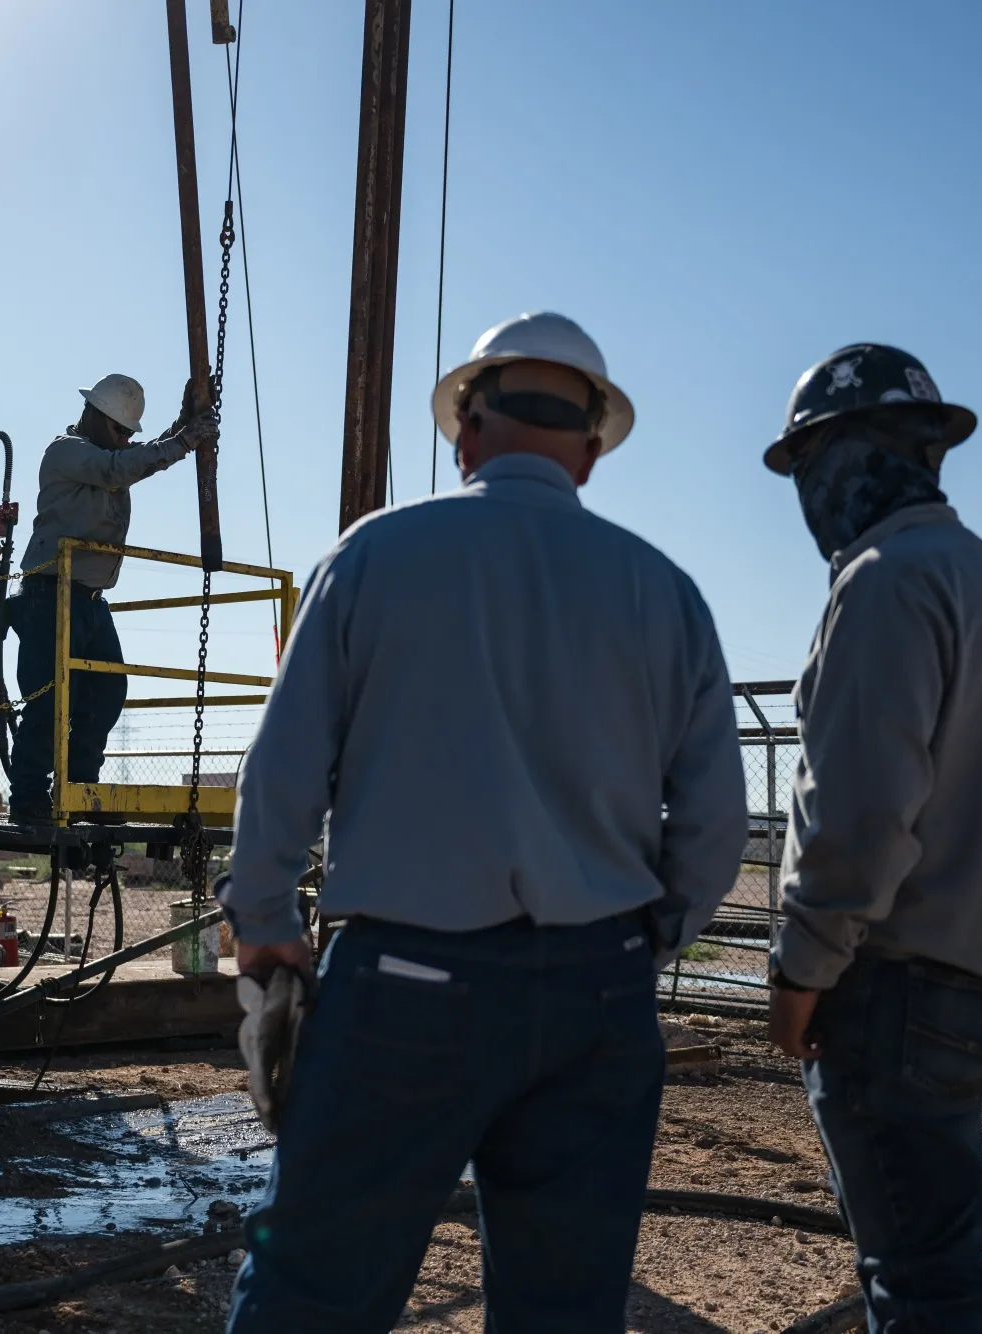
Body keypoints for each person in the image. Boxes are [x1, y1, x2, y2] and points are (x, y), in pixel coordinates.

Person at [219, 312, 749, 1333]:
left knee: (313, 1287)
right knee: (561, 1306)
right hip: (597, 990)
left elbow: (281, 764)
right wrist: (642, 933)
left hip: (405, 987)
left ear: (463, 430)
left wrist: (264, 913)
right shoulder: (664, 592)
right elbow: (715, 824)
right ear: (590, 452)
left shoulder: (374, 555)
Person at [762, 344, 982, 1331]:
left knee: (920, 1286)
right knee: (931, 1266)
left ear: (839, 453)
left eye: (810, 464)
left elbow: (854, 813)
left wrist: (797, 968)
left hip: (900, 983)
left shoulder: (880, 581)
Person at [6, 373, 214, 824]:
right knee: (50, 700)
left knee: (106, 691)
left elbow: (133, 458)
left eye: (128, 433)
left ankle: (82, 791)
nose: (124, 439)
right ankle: (27, 799)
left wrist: (183, 424)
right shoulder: (67, 452)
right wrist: (183, 440)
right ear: (94, 417)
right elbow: (119, 468)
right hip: (51, 594)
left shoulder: (110, 453)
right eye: (119, 430)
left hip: (90, 600)